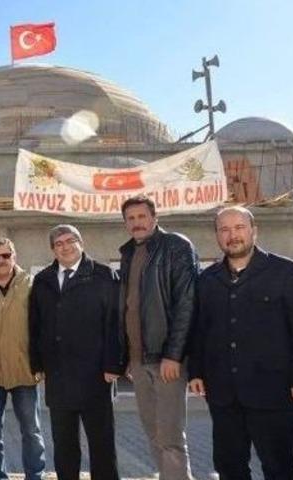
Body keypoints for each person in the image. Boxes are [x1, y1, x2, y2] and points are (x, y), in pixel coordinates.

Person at [189, 206, 293, 479]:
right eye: (224, 230)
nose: (232, 235)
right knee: (229, 466)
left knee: (279, 467)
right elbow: (200, 330)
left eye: (239, 228)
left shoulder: (286, 273)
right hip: (223, 393)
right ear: (217, 236)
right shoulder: (207, 279)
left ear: (253, 231)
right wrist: (197, 371)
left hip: (274, 391)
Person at [30, 225, 121, 480]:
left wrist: (114, 364)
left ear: (81, 243)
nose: (65, 247)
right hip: (58, 374)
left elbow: (115, 323)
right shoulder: (44, 279)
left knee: (101, 444)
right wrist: (37, 364)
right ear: (53, 249)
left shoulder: (103, 275)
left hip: (95, 375)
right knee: (64, 444)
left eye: (70, 241)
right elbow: (35, 324)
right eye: (58, 243)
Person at [118, 195, 197, 480]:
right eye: (131, 218)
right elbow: (128, 307)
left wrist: (173, 354)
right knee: (152, 432)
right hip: (138, 362)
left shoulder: (176, 246)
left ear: (154, 217)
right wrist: (127, 357)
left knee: (171, 435)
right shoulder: (128, 253)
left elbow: (187, 303)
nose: (136, 223)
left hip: (166, 359)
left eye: (141, 216)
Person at [0, 237, 45, 480]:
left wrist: (41, 362)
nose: (1, 261)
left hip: (24, 370)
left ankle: (35, 475)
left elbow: (43, 326)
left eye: (6, 255)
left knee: (32, 431)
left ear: (14, 256)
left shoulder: (32, 284)